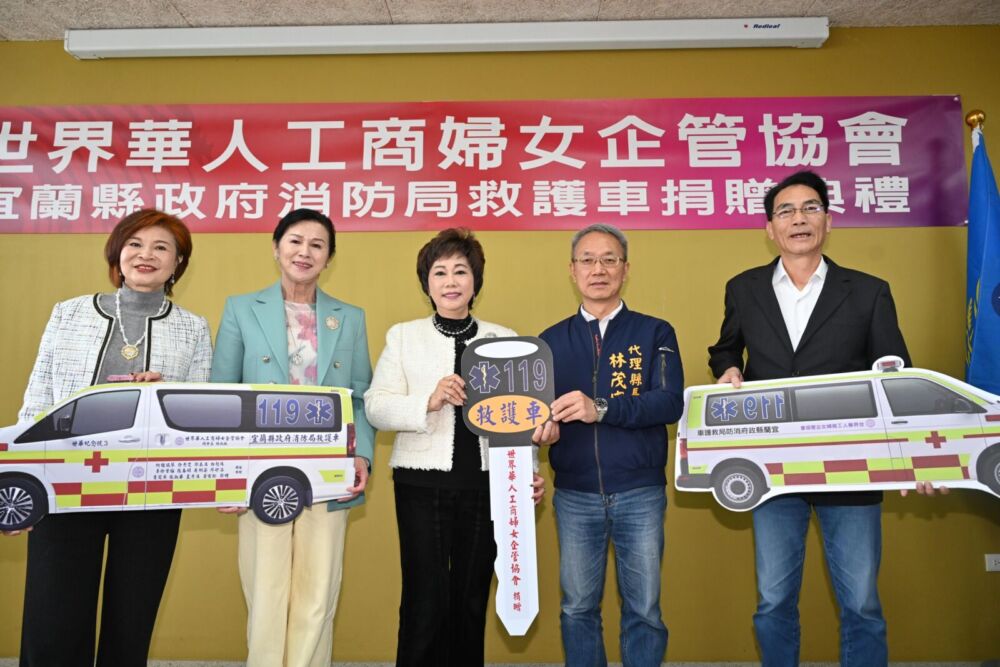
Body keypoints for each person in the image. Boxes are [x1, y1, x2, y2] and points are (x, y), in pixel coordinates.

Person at [707, 169, 920, 667]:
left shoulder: (868, 291)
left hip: (853, 468)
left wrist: (913, 459)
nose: (798, 219)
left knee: (861, 603)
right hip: (773, 467)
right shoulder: (744, 288)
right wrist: (729, 369)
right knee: (773, 601)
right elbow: (725, 348)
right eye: (785, 211)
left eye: (810, 208)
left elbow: (896, 373)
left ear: (828, 220)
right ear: (770, 228)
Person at [7, 209, 212, 667]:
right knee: (53, 617)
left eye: (161, 247)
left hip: (150, 489)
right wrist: (21, 479)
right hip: (65, 481)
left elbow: (199, 413)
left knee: (131, 619)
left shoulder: (193, 327)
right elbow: (37, 400)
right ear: (117, 253)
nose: (146, 255)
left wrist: (165, 393)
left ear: (178, 263)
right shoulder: (69, 312)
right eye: (135, 244)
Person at [363, 228, 554, 667]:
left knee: (471, 598)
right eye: (440, 272)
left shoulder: (504, 338)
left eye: (461, 271)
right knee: (424, 600)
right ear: (427, 283)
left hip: (489, 486)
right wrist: (428, 400)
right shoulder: (404, 336)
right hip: (420, 484)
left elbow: (522, 418)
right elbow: (376, 406)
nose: (451, 281)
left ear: (475, 280)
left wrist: (527, 474)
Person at [210, 208, 375, 667]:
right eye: (295, 241)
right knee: (266, 587)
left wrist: (361, 455)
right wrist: (226, 475)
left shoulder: (350, 317)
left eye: (317, 245)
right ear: (276, 247)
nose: (305, 252)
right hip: (260, 469)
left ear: (329, 257)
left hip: (330, 467)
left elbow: (360, 394)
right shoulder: (242, 309)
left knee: (318, 591)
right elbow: (221, 394)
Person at [540, 223, 684, 667]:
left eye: (609, 259)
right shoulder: (548, 342)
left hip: (640, 491)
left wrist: (600, 407)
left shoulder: (655, 332)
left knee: (644, 610)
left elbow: (669, 402)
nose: (598, 269)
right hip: (575, 494)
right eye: (587, 260)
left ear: (625, 268)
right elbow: (536, 415)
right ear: (572, 270)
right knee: (577, 608)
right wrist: (541, 431)